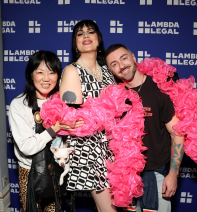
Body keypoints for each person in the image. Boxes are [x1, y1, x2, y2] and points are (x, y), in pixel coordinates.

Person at [105, 44, 185, 212]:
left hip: (157, 175)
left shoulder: (158, 89)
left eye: (124, 58)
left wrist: (173, 174)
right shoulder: (113, 97)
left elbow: (177, 133)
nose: (121, 66)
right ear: (111, 71)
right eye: (114, 64)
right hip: (126, 178)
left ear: (133, 57)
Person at [8, 50, 83, 212]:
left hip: (56, 169)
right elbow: (27, 147)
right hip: (29, 171)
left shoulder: (65, 102)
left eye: (52, 72)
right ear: (30, 75)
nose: (46, 78)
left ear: (58, 76)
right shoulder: (19, 104)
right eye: (40, 72)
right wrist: (54, 128)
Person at [59, 20, 117, 212]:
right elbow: (70, 117)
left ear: (98, 40)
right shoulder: (72, 70)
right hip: (88, 149)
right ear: (75, 43)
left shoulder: (109, 72)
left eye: (90, 32)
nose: (85, 36)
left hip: (111, 146)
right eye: (79, 33)